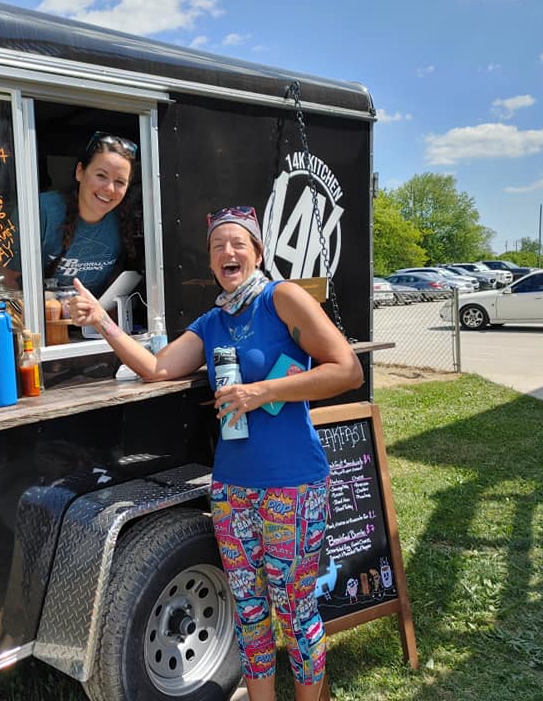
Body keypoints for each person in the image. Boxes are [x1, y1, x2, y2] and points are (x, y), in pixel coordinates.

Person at [68, 205, 363, 701]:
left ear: (257, 252)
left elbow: (347, 370)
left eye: (238, 243)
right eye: (218, 246)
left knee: (294, 612)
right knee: (248, 609)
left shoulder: (282, 298)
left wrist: (262, 392)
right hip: (232, 490)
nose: (228, 252)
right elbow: (158, 369)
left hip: (292, 485)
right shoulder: (212, 322)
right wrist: (103, 322)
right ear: (210, 261)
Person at [39, 130, 139, 297]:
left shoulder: (122, 220)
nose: (109, 189)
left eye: (120, 182)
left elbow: (114, 293)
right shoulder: (43, 210)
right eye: (101, 175)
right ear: (80, 172)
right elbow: (8, 280)